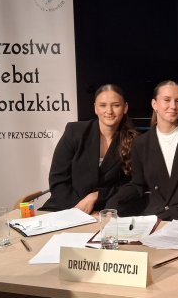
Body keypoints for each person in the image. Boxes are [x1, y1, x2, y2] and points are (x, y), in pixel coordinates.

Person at [106, 80, 178, 222]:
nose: (173, 106)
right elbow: (137, 185)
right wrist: (112, 205)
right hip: (157, 217)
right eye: (167, 100)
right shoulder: (140, 143)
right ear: (154, 104)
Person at [41, 84, 138, 214]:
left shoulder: (135, 141)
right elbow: (58, 181)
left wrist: (97, 196)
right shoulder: (74, 132)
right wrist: (79, 211)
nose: (109, 111)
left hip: (106, 212)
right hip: (65, 208)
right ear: (95, 108)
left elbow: (132, 187)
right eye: (103, 105)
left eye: (115, 105)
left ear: (125, 108)